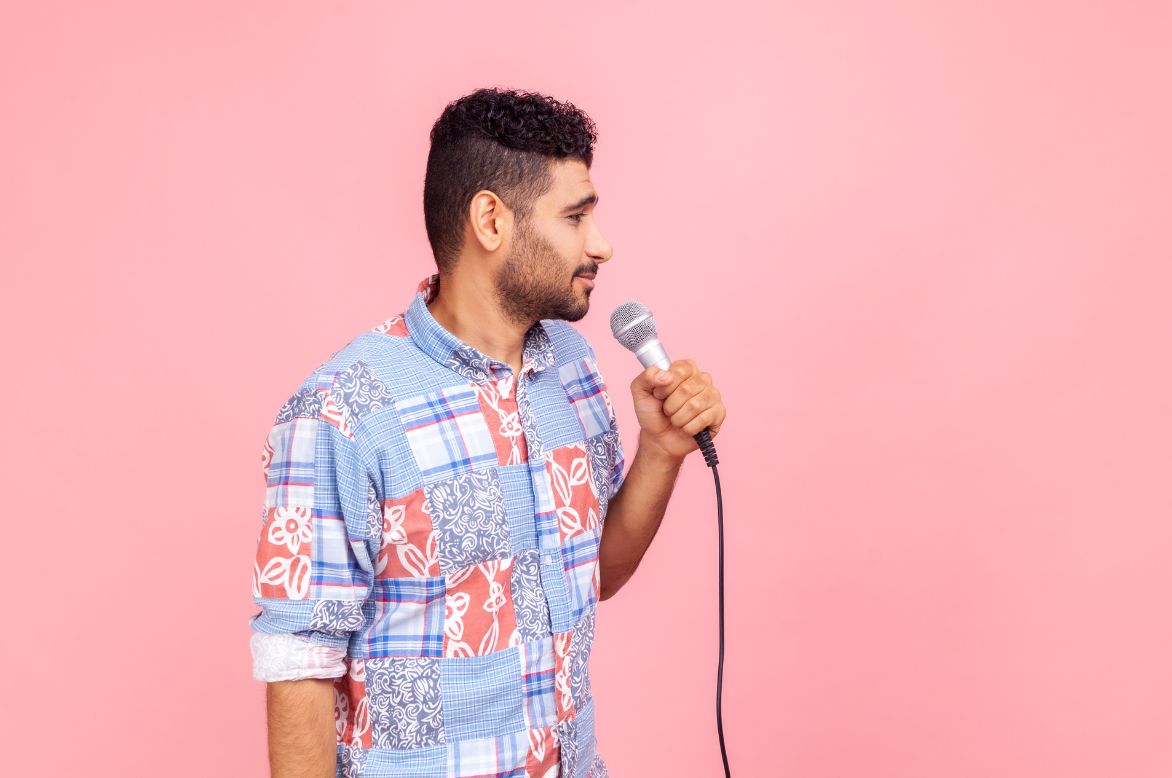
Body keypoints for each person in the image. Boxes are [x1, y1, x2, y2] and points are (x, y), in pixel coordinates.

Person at [249, 86, 726, 778]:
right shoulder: (341, 412)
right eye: (575, 217)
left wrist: (661, 452)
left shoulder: (574, 366)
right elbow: (298, 664)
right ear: (490, 221)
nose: (603, 245)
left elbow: (594, 574)